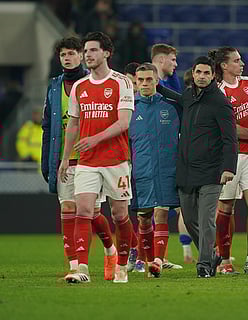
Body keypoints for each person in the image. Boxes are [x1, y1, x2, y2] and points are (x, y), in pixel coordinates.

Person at [59, 31, 135, 283]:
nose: (88, 55)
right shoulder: (80, 87)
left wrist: (96, 138)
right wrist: (65, 157)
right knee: (84, 211)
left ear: (106, 53)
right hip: (87, 161)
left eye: (93, 50)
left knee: (119, 215)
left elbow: (124, 123)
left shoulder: (121, 82)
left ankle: (121, 266)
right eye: (86, 51)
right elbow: (73, 124)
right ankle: (82, 269)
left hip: (116, 160)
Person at [41, 36, 117, 277]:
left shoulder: (91, 82)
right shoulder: (54, 86)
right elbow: (47, 126)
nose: (68, 58)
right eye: (63, 54)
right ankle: (75, 265)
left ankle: (110, 249)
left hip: (91, 157)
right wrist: (48, 161)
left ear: (81, 56)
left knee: (92, 213)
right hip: (63, 158)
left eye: (72, 53)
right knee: (68, 209)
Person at [208, 47, 248, 275]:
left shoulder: (247, 83)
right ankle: (225, 260)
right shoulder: (217, 91)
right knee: (226, 207)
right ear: (224, 66)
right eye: (236, 60)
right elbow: (228, 128)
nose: (241, 63)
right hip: (227, 156)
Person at [176, 56, 238, 278]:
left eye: (206, 73)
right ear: (193, 73)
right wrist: (155, 88)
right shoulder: (187, 97)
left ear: (213, 76)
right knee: (190, 219)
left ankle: (203, 264)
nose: (202, 77)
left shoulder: (220, 102)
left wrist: (229, 167)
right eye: (198, 72)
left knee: (205, 220)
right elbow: (175, 98)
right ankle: (211, 255)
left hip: (212, 171)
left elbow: (230, 138)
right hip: (186, 170)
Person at [129, 63, 182, 278]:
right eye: (140, 80)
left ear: (157, 81)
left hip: (167, 169)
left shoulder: (172, 105)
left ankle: (157, 263)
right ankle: (147, 260)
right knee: (143, 218)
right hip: (141, 171)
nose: (144, 84)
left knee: (161, 213)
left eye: (148, 79)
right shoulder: (129, 107)